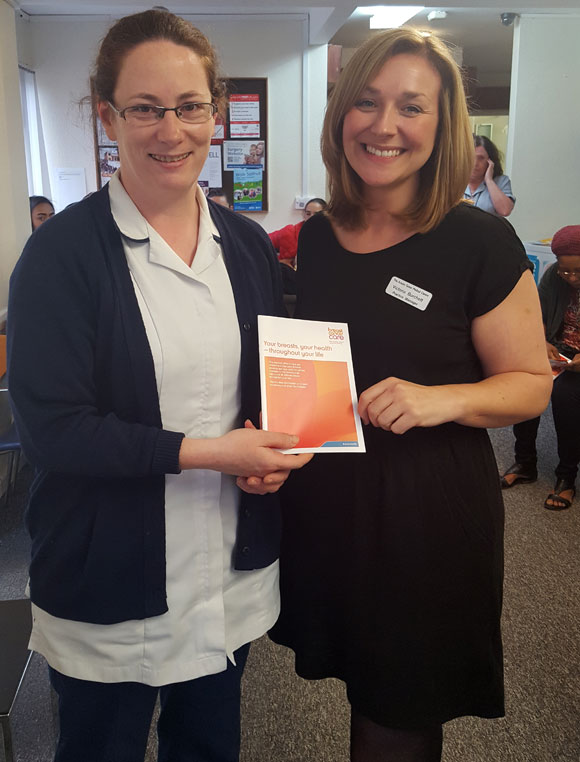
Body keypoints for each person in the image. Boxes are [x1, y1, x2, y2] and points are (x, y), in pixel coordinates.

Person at [8, 10, 311, 762]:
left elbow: (264, 383)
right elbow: (56, 430)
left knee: (209, 748)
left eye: (189, 106)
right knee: (100, 748)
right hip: (110, 574)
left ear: (214, 108)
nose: (169, 130)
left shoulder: (243, 244)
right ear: (107, 114)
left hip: (224, 569)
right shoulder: (60, 257)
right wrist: (215, 453)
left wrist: (273, 448)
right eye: (144, 108)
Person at [268, 28, 552, 762]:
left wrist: (443, 399)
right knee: (359, 677)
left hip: (427, 519)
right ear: (341, 117)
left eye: (411, 106)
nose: (384, 125)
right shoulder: (319, 237)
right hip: (334, 508)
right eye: (366, 101)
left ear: (443, 123)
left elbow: (530, 384)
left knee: (400, 708)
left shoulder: (480, 242)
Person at [501, 225, 580, 510]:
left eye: (578, 271)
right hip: (560, 353)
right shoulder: (552, 277)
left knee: (565, 397)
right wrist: (542, 342)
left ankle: (566, 477)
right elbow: (536, 317)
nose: (571, 278)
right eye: (565, 271)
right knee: (525, 382)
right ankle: (525, 463)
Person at [464, 134, 515, 217]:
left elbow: (505, 210)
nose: (475, 163)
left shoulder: (501, 181)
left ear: (490, 161)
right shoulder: (454, 183)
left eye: (480, 158)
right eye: (471, 157)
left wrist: (489, 180)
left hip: (490, 230)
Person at [268, 197, 327, 267]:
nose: (311, 218)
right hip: (289, 275)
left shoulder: (332, 236)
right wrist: (283, 263)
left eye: (317, 214)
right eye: (308, 214)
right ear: (304, 215)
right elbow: (261, 241)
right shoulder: (290, 232)